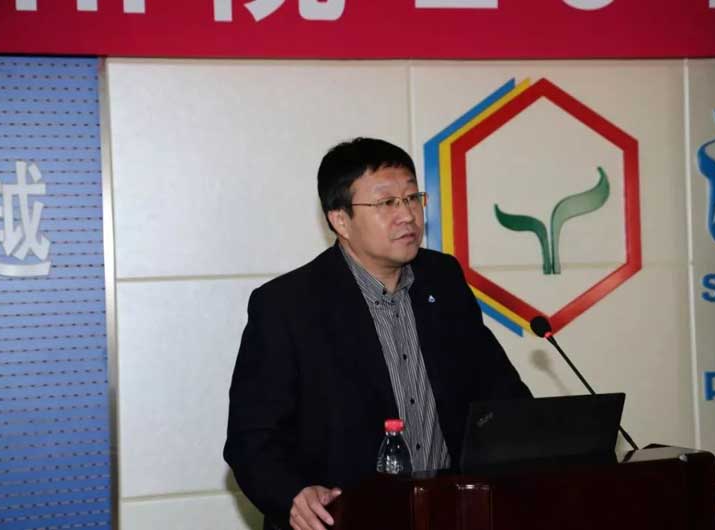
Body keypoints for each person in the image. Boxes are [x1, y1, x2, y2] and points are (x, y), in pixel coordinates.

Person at [223, 138, 531, 530]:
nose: (407, 215)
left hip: (449, 514)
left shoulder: (444, 279)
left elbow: (500, 393)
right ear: (341, 220)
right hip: (345, 519)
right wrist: (293, 494)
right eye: (386, 203)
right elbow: (252, 439)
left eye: (412, 198)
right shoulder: (287, 306)